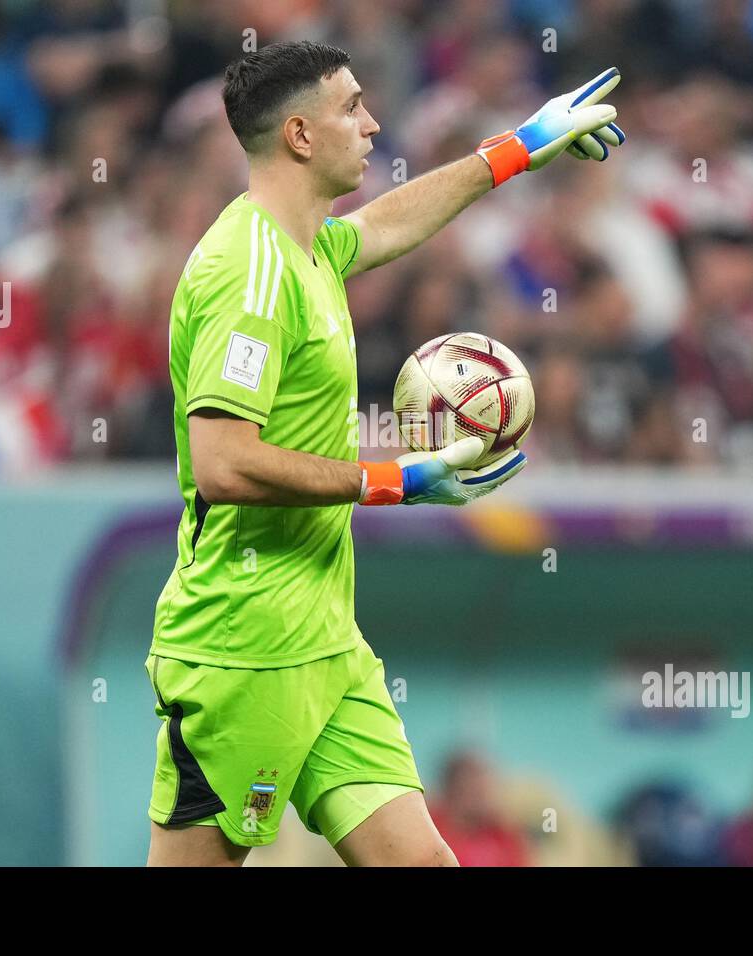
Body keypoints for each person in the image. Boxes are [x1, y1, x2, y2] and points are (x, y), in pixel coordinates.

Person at [144, 39, 624, 866]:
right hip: (242, 646)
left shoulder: (307, 247)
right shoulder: (247, 271)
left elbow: (388, 222)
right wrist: (391, 482)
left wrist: (515, 150)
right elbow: (223, 462)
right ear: (299, 135)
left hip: (328, 643)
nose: (372, 124)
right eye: (352, 107)